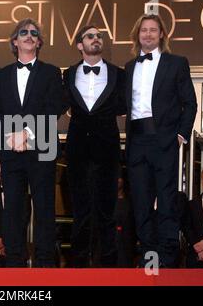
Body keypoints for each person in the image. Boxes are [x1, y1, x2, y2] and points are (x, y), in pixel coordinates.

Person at [125, 14, 197, 267]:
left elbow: (190, 103)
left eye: (153, 30)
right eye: (143, 30)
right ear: (138, 35)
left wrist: (180, 135)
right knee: (141, 201)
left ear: (162, 35)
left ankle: (167, 257)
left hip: (164, 140)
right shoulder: (130, 66)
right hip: (137, 141)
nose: (148, 34)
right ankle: (148, 256)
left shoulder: (177, 63)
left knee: (166, 200)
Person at [0, 18, 65, 267]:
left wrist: (27, 132)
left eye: (34, 33)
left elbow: (55, 106)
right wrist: (10, 138)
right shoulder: (1, 76)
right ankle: (14, 261)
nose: (29, 35)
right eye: (23, 32)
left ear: (39, 42)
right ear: (15, 41)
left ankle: (45, 263)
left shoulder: (52, 72)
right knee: (13, 207)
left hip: (42, 148)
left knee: (44, 206)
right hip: (11, 149)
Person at [62, 25, 126, 267]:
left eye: (99, 36)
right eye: (90, 36)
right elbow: (57, 105)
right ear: (80, 45)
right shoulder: (68, 74)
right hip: (77, 149)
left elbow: (126, 106)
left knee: (107, 211)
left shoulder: (119, 74)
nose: (96, 39)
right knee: (80, 210)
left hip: (107, 148)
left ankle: (108, 267)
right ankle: (78, 268)